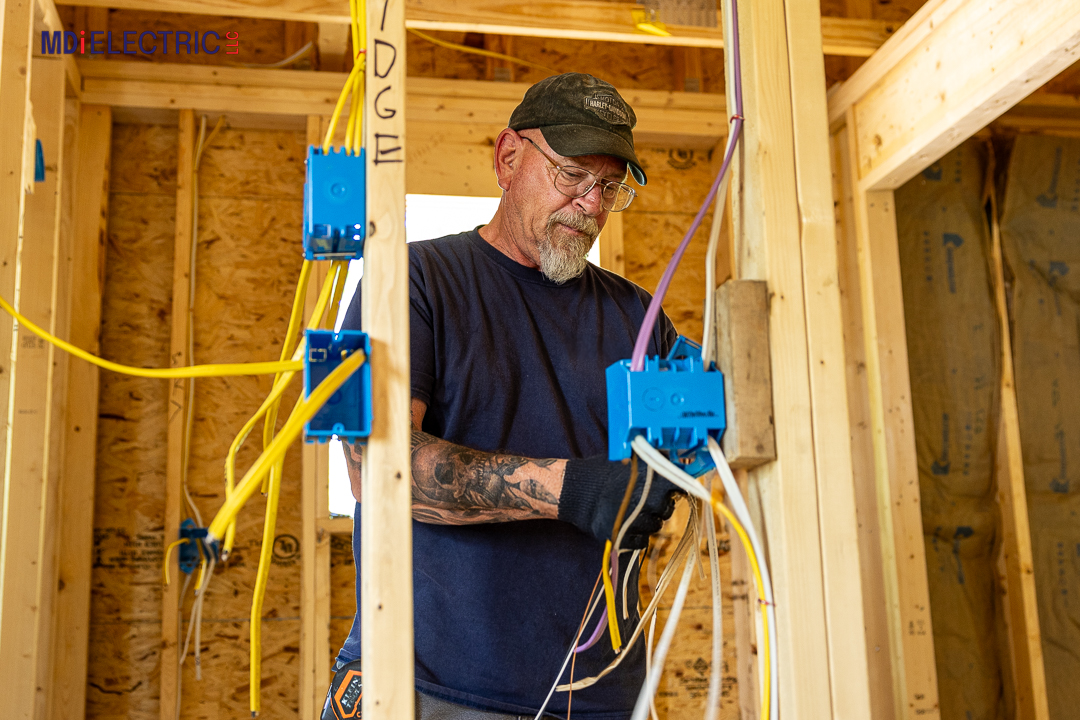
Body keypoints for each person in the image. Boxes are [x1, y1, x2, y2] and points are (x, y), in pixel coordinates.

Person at [323, 72, 682, 720]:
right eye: (573, 175)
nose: (592, 205)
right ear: (508, 158)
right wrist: (571, 490)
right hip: (433, 688)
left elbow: (680, 462)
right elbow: (378, 470)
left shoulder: (639, 320)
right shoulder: (414, 282)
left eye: (609, 187)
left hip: (597, 695)